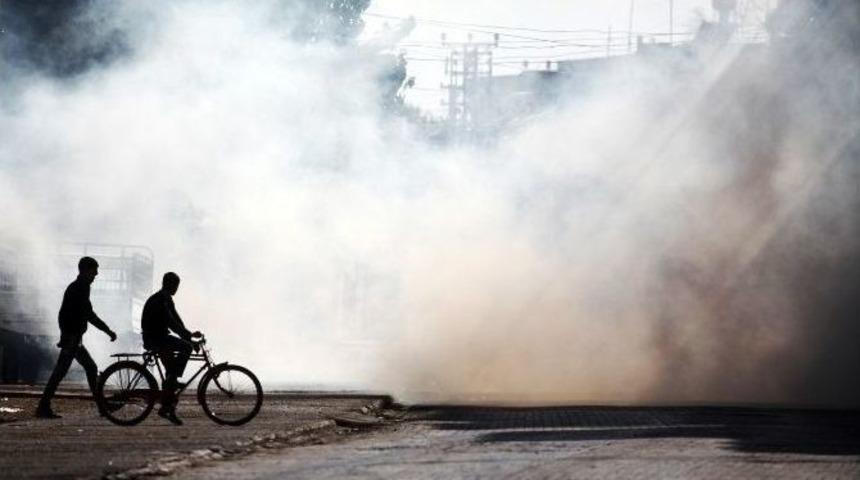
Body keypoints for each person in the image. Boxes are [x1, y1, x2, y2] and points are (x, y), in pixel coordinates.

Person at [36, 256, 117, 419]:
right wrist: (107, 330)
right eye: (94, 271)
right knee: (62, 372)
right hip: (73, 339)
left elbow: (67, 314)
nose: (96, 274)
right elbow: (88, 315)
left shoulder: (80, 287)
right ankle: (43, 407)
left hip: (74, 338)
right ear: (85, 270)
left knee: (84, 368)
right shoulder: (79, 288)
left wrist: (67, 335)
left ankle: (102, 406)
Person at [141, 272, 200, 425]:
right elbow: (172, 323)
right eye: (176, 286)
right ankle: (172, 382)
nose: (176, 289)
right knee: (186, 348)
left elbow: (176, 320)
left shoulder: (166, 298)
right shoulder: (161, 300)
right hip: (156, 338)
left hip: (159, 337)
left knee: (171, 371)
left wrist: (189, 335)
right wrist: (189, 339)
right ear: (171, 285)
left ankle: (168, 407)